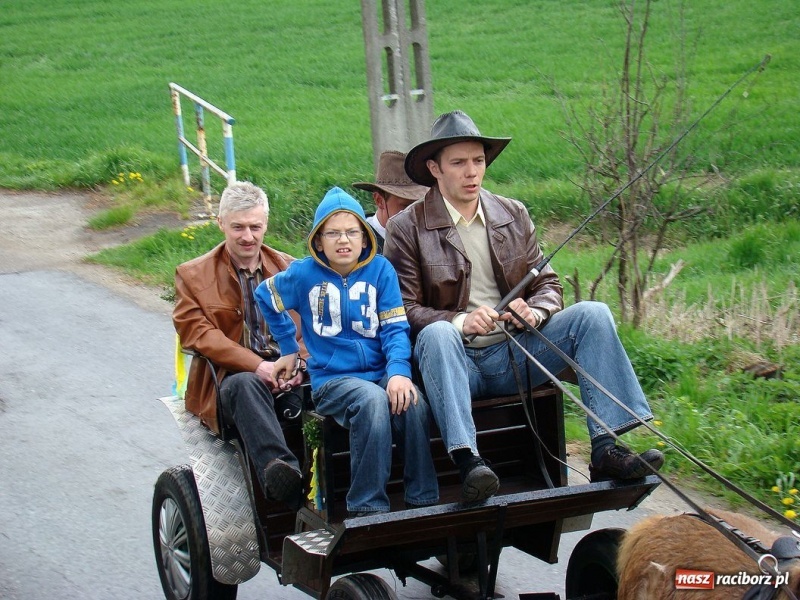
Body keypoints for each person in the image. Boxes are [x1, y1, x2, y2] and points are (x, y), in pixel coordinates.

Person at [384, 110, 664, 503]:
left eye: (478, 161)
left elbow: (548, 283)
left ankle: (605, 449)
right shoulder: (406, 227)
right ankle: (469, 462)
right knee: (437, 332)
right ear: (435, 168)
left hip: (513, 355)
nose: (471, 172)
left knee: (594, 314)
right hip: (453, 363)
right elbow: (403, 310)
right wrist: (461, 321)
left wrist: (536, 311)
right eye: (458, 163)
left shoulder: (512, 214)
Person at [254, 186, 438, 518]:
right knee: (370, 400)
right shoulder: (303, 274)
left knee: (412, 401)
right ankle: (368, 506)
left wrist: (398, 372)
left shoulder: (381, 271)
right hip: (333, 380)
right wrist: (288, 349)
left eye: (352, 232)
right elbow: (265, 295)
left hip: (381, 373)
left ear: (366, 238)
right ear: (318, 240)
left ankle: (422, 500)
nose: (344, 240)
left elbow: (396, 329)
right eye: (333, 233)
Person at [173, 181, 306, 510]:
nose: (247, 236)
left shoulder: (292, 268)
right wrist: (258, 366)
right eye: (238, 227)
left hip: (291, 372)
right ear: (221, 224)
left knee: (345, 380)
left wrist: (299, 364)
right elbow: (196, 332)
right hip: (229, 380)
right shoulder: (193, 275)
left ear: (266, 225)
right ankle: (281, 474)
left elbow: (318, 326)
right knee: (247, 385)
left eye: (255, 226)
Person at [353, 150, 429, 252]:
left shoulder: (436, 237)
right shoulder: (355, 245)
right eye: (407, 206)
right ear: (379, 200)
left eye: (422, 205)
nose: (416, 213)